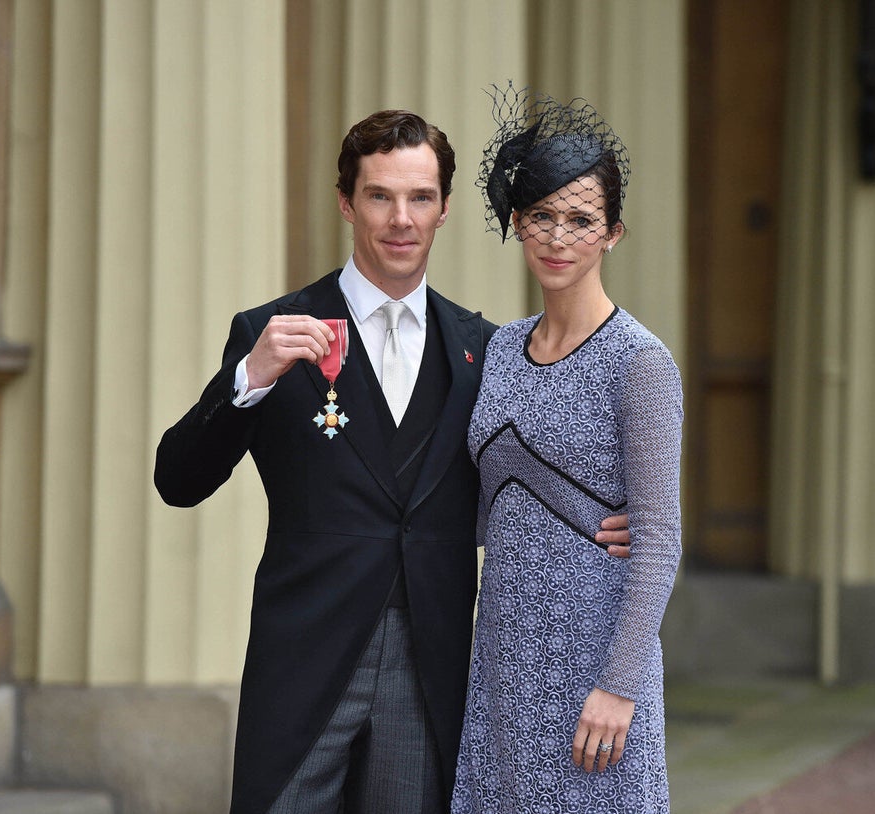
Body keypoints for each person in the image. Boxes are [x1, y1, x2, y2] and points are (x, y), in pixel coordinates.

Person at [154, 108, 631, 814]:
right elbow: (178, 479)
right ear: (348, 204)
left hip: (428, 669)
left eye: (420, 198)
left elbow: (518, 480)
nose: (400, 219)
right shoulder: (271, 332)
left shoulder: (485, 351)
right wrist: (248, 380)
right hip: (303, 666)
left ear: (443, 211)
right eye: (380, 196)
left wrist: (596, 524)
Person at [451, 85, 683, 813]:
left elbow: (659, 539)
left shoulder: (640, 363)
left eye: (581, 220)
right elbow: (487, 502)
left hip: (597, 659)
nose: (559, 237)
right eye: (543, 217)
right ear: (517, 224)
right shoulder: (500, 349)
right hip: (504, 653)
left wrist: (618, 687)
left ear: (613, 234)